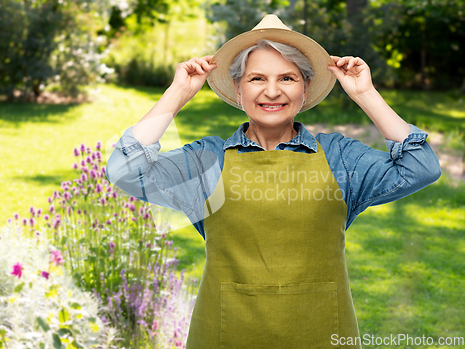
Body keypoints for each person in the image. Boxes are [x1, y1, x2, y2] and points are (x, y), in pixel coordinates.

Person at [106, 14, 441, 349]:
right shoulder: (208, 160)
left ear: (305, 88)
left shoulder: (340, 157)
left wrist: (365, 94)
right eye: (256, 78)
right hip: (225, 336)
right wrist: (178, 92)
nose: (272, 91)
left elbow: (421, 167)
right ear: (238, 89)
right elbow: (125, 169)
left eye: (287, 78)